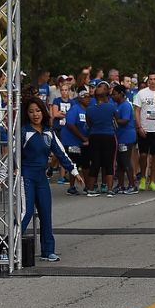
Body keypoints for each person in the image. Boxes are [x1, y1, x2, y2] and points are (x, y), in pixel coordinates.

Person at [20, 96, 83, 262]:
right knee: (25, 214)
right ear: (26, 114)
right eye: (31, 111)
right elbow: (11, 155)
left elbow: (61, 153)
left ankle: (48, 251)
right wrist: (4, 175)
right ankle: (10, 247)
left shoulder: (49, 132)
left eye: (38, 111)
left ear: (43, 112)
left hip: (41, 179)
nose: (35, 114)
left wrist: (74, 172)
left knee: (46, 214)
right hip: (26, 177)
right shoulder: (23, 132)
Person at [84, 81, 120, 197]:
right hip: (108, 136)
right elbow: (116, 120)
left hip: (94, 136)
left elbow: (89, 123)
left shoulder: (90, 109)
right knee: (109, 162)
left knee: (95, 162)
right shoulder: (111, 107)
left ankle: (91, 189)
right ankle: (109, 189)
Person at [133, 72, 155, 191]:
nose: (153, 81)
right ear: (148, 80)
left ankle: (152, 180)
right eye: (151, 79)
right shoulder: (141, 93)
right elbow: (137, 111)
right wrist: (139, 127)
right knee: (143, 155)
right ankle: (143, 177)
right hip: (144, 128)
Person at [111, 84, 138, 193]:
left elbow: (125, 120)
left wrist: (113, 120)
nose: (112, 96)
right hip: (119, 137)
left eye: (114, 94)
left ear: (121, 94)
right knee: (120, 162)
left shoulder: (126, 105)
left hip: (126, 137)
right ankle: (120, 185)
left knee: (126, 161)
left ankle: (132, 185)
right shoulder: (117, 105)